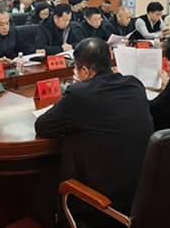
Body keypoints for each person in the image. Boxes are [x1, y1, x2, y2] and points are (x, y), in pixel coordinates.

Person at [35, 38, 153, 227]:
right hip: (140, 196)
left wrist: (72, 94)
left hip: (100, 205)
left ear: (84, 70)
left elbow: (42, 126)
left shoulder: (80, 94)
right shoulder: (135, 85)